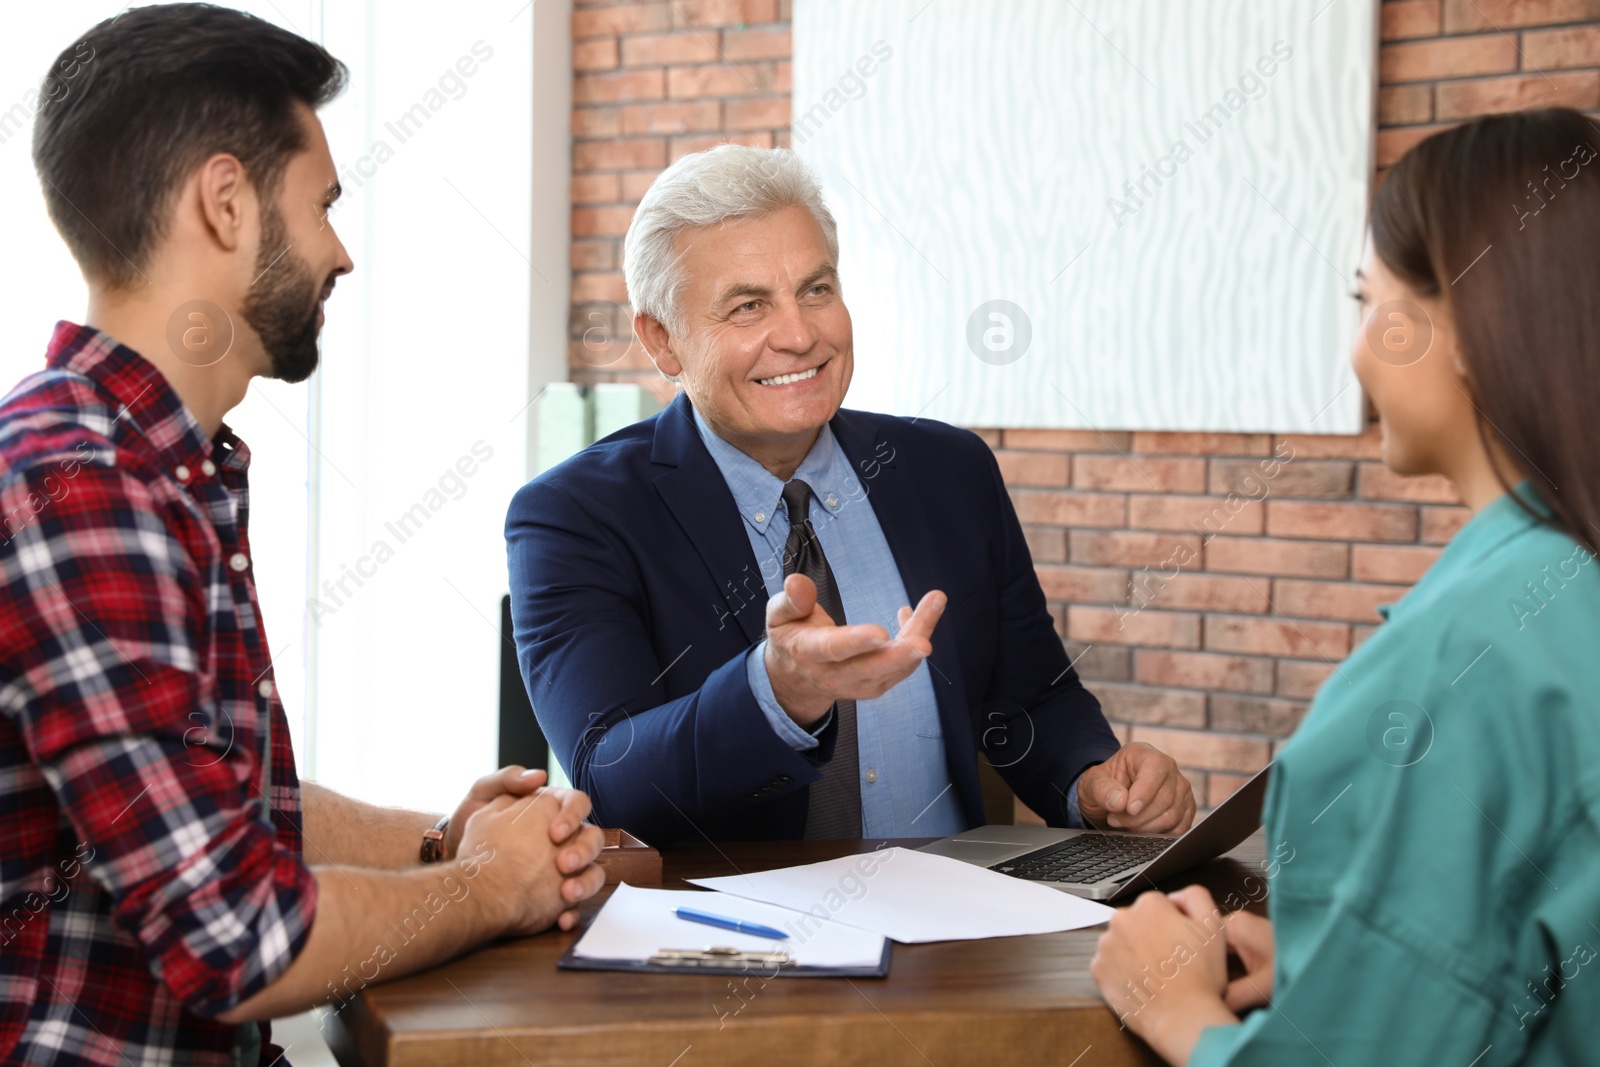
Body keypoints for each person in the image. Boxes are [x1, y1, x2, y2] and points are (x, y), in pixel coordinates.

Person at [0, 7, 604, 1065]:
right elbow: (240, 939)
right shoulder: (83, 483)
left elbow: (219, 795)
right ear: (225, 203)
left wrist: (441, 842)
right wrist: (491, 883)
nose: (341, 252)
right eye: (322, 204)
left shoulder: (153, 464)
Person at [1090, 107, 1600, 1065]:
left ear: (1456, 325)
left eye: (1368, 300)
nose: (1358, 351)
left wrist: (1180, 1013)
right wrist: (1354, 965)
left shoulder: (1462, 658)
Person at [506, 145, 1196, 845]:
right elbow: (612, 777)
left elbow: (1031, 699)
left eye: (816, 290)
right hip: (736, 941)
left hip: (963, 932)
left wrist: (1092, 782)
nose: (801, 335)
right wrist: (776, 695)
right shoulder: (574, 516)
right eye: (749, 306)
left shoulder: (951, 471)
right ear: (662, 341)